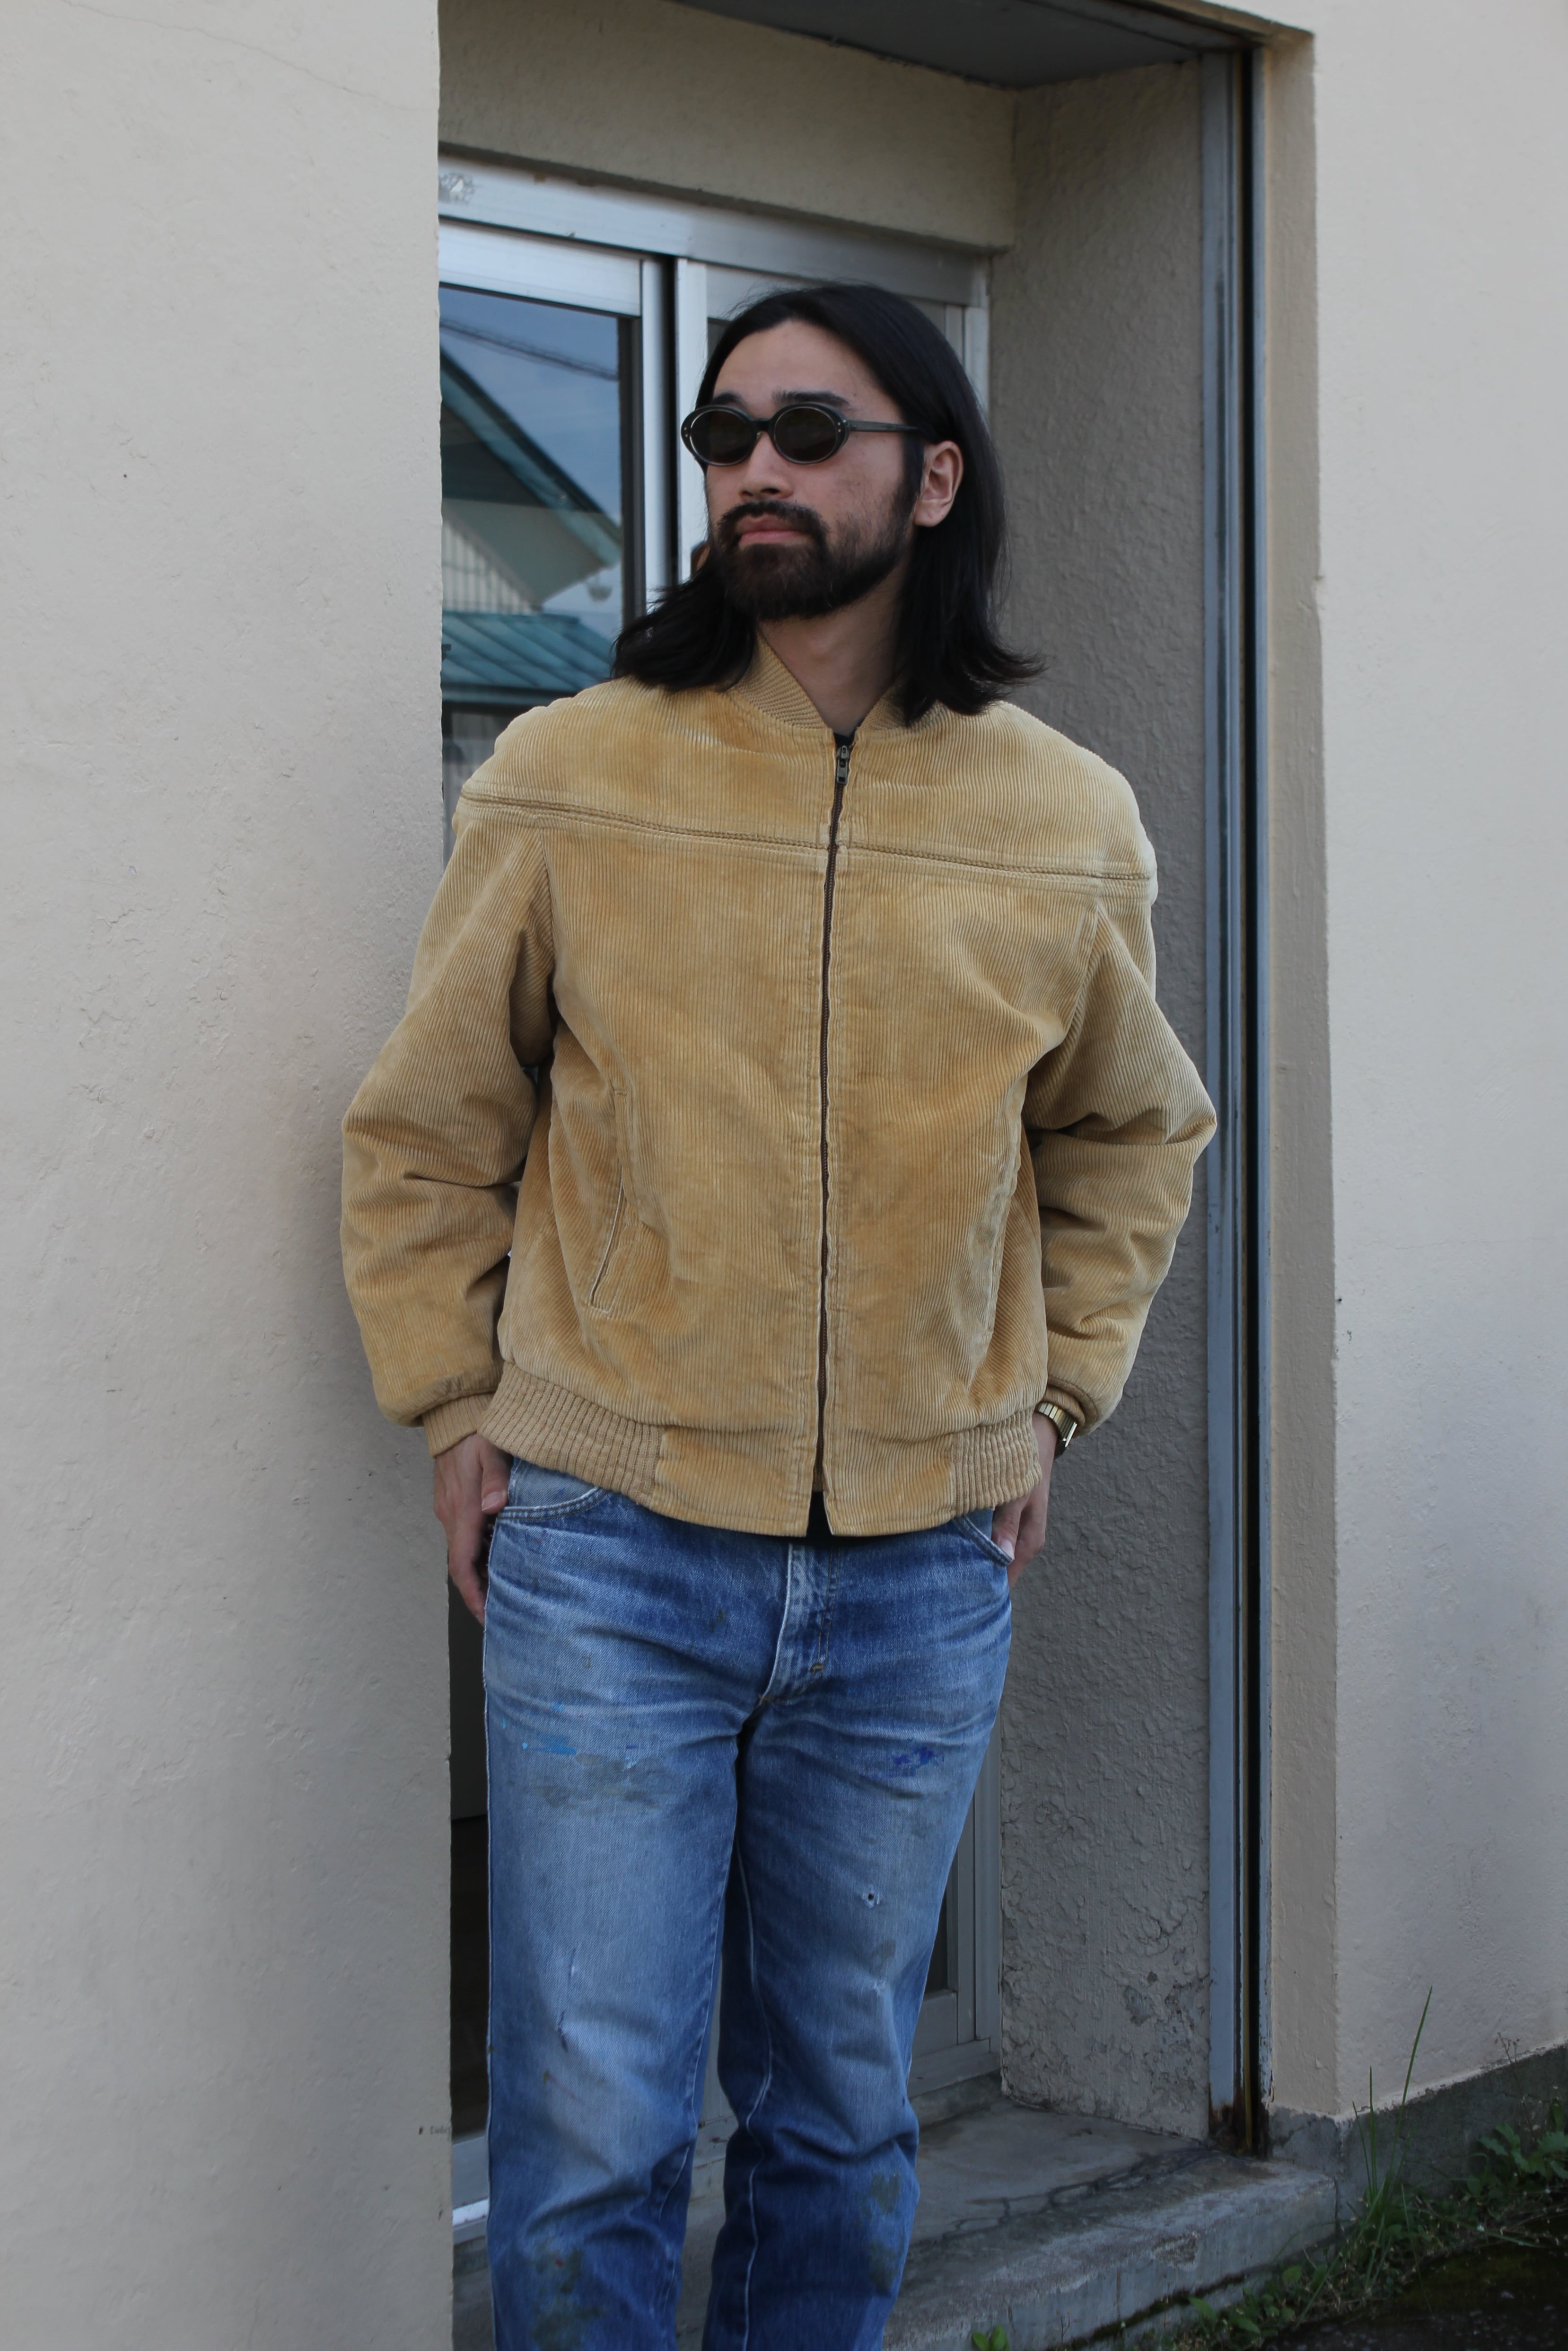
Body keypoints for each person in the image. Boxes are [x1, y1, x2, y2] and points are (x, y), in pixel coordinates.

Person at [341, 284, 1214, 2351]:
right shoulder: (572, 771)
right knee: (593, 2132)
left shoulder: (1061, 816)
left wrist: (1051, 1400)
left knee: (839, 2121)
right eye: (723, 436)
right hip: (610, 1549)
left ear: (934, 475)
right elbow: (427, 1129)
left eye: (807, 432)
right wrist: (455, 1398)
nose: (754, 468)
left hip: (921, 1571)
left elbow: (1130, 1135)